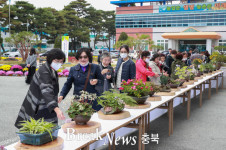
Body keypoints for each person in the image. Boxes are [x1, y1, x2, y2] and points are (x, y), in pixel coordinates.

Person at [15, 49, 66, 129]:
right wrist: (56, 108)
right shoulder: (44, 71)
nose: (59, 63)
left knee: (46, 130)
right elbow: (46, 90)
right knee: (41, 130)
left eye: (61, 61)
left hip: (45, 103)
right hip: (39, 105)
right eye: (57, 60)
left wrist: (55, 98)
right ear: (50, 59)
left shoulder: (51, 69)